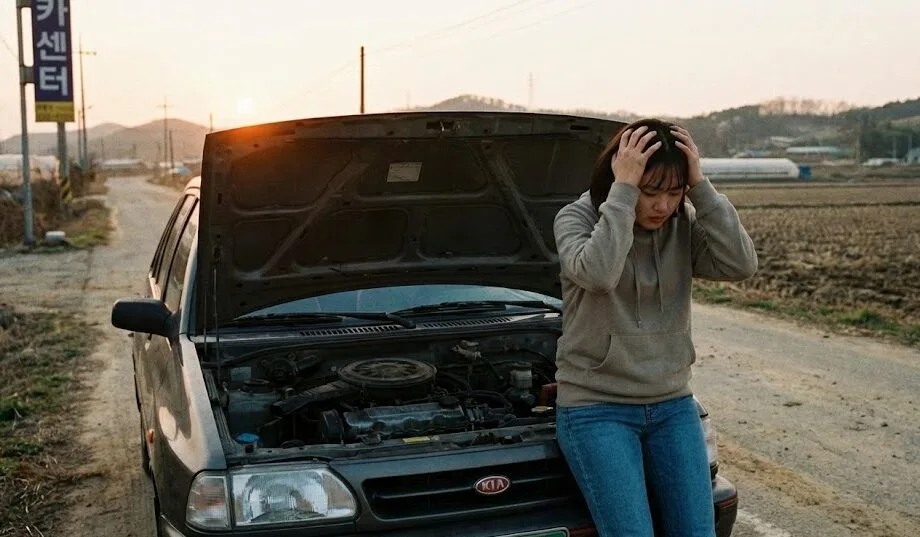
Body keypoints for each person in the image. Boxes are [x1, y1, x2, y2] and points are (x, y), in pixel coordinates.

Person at [552, 118, 758, 537]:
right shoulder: (575, 219)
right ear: (620, 179)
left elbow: (741, 264)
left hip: (673, 405)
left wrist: (700, 188)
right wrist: (623, 196)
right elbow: (598, 274)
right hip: (596, 409)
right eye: (650, 192)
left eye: (674, 192)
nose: (663, 206)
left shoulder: (680, 225)